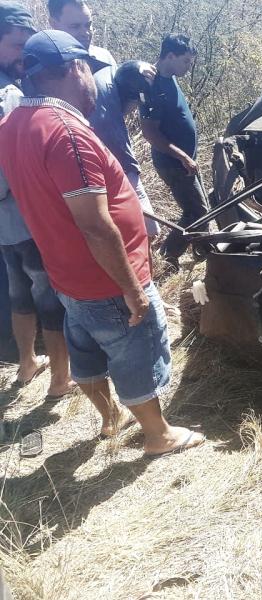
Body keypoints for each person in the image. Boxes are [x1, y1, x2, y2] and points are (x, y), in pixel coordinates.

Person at [0, 29, 204, 454]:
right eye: (89, 71)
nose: (93, 82)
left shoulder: (13, 124)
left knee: (88, 352)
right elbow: (94, 225)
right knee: (133, 353)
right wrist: (132, 289)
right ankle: (157, 434)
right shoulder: (67, 135)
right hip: (105, 278)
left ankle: (111, 419)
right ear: (75, 68)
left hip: (66, 273)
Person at [0, 2, 73, 398]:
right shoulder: (7, 97)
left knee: (19, 292)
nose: (23, 57)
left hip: (7, 226)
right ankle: (61, 380)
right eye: (15, 46)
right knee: (48, 296)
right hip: (27, 218)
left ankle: (28, 363)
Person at [48, 0, 160, 240]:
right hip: (85, 179)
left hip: (123, 164)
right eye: (75, 26)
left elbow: (117, 110)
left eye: (89, 25)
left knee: (149, 232)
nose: (85, 32)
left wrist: (137, 86)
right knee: (111, 242)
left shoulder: (104, 57)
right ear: (53, 24)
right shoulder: (47, 73)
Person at [140, 33, 207, 271]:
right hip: (173, 162)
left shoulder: (169, 78)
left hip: (186, 160)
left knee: (204, 208)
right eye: (186, 61)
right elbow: (150, 132)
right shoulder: (153, 86)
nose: (189, 67)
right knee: (196, 211)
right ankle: (168, 255)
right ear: (170, 56)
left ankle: (205, 250)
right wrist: (183, 156)